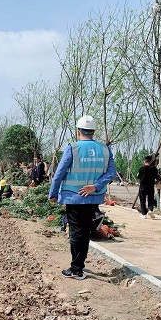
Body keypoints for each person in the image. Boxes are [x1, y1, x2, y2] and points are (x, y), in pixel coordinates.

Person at [48, 115, 116, 280]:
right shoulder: (104, 149)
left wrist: (53, 193)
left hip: (74, 198)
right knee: (85, 231)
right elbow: (111, 173)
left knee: (76, 232)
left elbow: (59, 173)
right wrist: (95, 187)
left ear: (78, 131)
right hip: (93, 198)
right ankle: (79, 264)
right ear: (93, 131)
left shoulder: (73, 148)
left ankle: (76, 269)